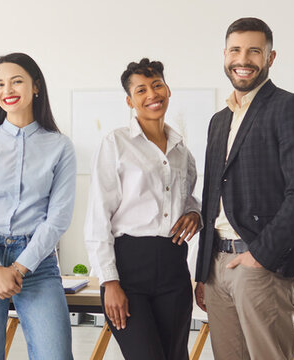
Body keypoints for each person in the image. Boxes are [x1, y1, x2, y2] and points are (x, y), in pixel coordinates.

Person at [193, 17, 294, 360]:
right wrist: (202, 271)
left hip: (258, 264)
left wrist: (260, 256)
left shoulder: (290, 107)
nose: (243, 59)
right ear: (224, 55)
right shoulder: (219, 120)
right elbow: (212, 199)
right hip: (216, 266)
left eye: (254, 51)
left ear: (271, 57)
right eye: (236, 50)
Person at [0, 52, 76, 359]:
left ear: (36, 86)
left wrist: (19, 267)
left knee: (56, 355)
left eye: (16, 81)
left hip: (36, 261)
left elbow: (59, 216)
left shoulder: (60, 146)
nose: (7, 90)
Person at [85, 58, 202, 359]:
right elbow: (99, 215)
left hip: (174, 268)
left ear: (168, 89)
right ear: (130, 100)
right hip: (128, 270)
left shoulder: (182, 152)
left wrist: (195, 213)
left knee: (175, 356)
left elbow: (185, 199)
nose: (152, 94)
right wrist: (109, 282)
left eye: (157, 85)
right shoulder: (116, 144)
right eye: (141, 90)